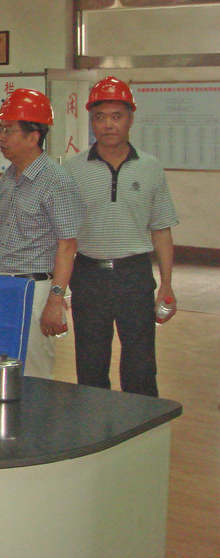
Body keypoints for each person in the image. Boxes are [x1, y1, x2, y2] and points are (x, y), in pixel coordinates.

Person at [65, 76, 178, 397]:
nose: (108, 125)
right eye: (99, 117)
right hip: (88, 276)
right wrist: (57, 291)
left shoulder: (151, 168)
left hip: (135, 275)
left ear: (130, 119)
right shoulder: (73, 170)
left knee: (140, 366)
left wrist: (167, 284)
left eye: (116, 116)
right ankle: (94, 424)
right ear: (92, 121)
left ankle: (141, 424)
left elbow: (162, 230)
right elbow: (64, 236)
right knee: (90, 365)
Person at [0, 89, 83, 379]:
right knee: (0, 369)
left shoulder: (56, 180)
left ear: (33, 137)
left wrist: (55, 301)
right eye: (0, 129)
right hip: (2, 284)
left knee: (34, 373)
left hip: (35, 289)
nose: (1, 137)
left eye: (8, 130)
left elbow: (67, 246)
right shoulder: (9, 176)